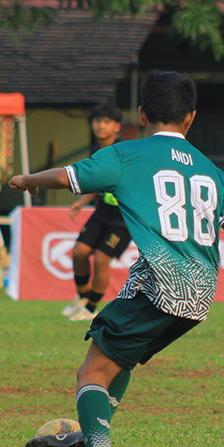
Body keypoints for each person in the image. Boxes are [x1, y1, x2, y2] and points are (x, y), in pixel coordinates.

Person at [9, 71, 224, 447]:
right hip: (201, 294)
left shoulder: (127, 155)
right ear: (190, 118)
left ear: (140, 114)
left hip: (159, 285)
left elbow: (67, 177)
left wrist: (27, 180)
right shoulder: (211, 170)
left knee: (92, 373)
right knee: (122, 360)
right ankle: (90, 439)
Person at [60, 103, 131, 322]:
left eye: (106, 122)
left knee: (101, 259)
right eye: (97, 121)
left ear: (117, 126)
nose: (100, 126)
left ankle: (91, 308)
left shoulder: (123, 152)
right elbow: (100, 184)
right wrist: (82, 202)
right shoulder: (96, 152)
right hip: (101, 213)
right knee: (79, 252)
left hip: (122, 219)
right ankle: (82, 298)